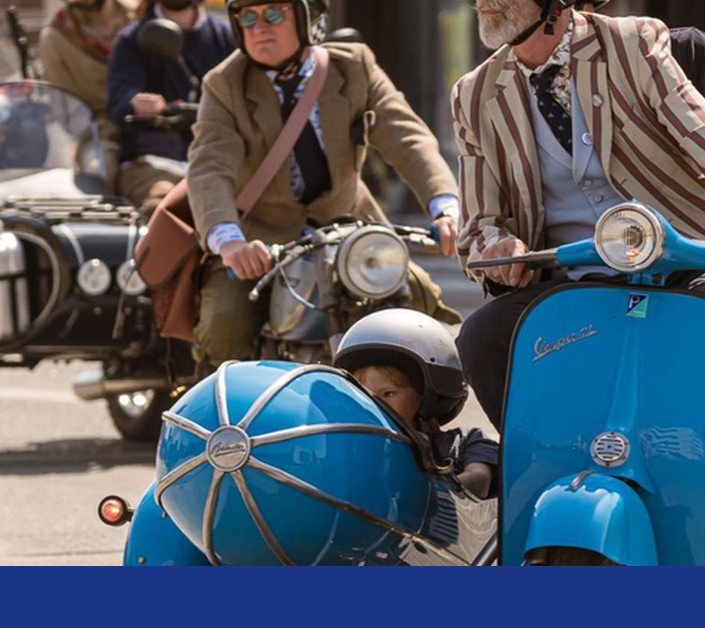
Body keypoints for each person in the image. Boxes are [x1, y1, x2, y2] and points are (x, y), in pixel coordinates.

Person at [452, 0, 705, 566]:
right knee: (484, 338)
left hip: (697, 260)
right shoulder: (473, 93)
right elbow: (479, 223)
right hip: (575, 283)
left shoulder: (634, 43)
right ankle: (549, 484)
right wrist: (497, 245)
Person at [187, 0, 463, 374]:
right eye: (246, 18)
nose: (258, 27)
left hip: (351, 231)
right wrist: (229, 240)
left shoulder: (354, 66)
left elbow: (407, 138)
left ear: (306, 18)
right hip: (261, 242)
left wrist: (444, 205)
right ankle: (221, 420)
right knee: (224, 324)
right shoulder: (224, 83)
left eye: (272, 14)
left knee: (420, 297)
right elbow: (209, 166)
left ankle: (420, 415)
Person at [334, 309, 498, 500]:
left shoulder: (466, 442)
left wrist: (419, 492)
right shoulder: (350, 448)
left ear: (427, 396)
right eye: (363, 395)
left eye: (388, 394)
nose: (374, 404)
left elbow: (479, 481)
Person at [109, 0, 235, 216]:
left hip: (218, 159)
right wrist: (136, 102)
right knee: (162, 210)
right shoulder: (132, 39)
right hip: (154, 162)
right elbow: (120, 98)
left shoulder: (225, 36)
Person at [39, 0, 139, 190]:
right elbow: (64, 105)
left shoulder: (138, 16)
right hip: (98, 131)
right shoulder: (57, 36)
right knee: (100, 172)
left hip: (148, 123)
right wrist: (104, 129)